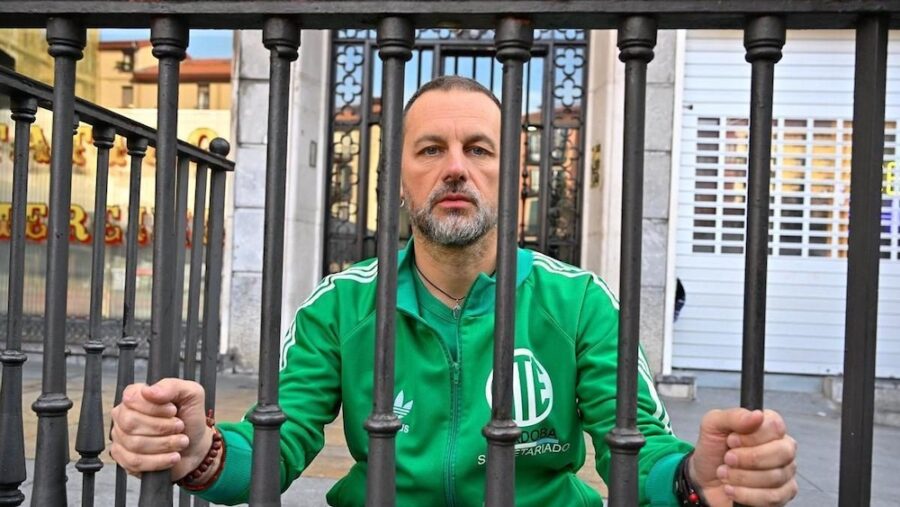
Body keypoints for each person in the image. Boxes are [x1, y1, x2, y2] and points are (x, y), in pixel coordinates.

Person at [110, 76, 797, 506]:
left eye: (480, 148)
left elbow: (638, 449)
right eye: (431, 149)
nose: (456, 169)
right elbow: (277, 444)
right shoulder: (340, 306)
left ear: (512, 173)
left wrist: (696, 478)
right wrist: (198, 449)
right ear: (400, 176)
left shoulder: (581, 303)